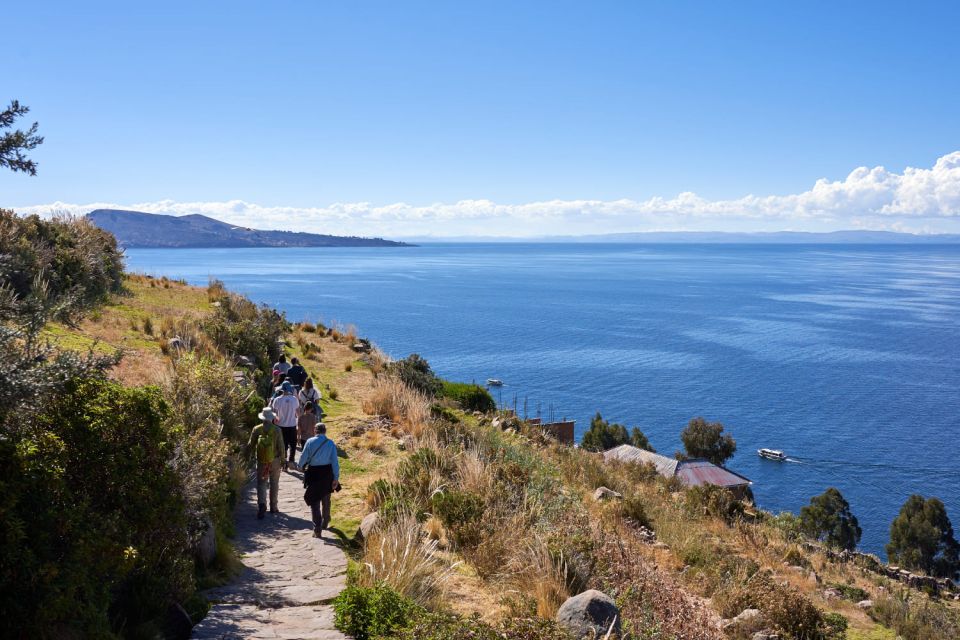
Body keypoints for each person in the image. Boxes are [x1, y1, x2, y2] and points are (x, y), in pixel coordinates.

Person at [298, 422, 340, 538]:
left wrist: (299, 466)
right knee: (326, 498)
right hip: (327, 473)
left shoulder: (310, 442)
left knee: (314, 501)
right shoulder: (330, 443)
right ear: (325, 431)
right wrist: (336, 478)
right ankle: (325, 521)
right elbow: (335, 462)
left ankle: (317, 529)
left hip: (313, 473)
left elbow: (303, 458)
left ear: (315, 430)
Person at [248, 407, 284, 519]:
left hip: (262, 461)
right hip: (275, 460)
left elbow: (250, 445)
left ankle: (262, 504)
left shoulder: (256, 429)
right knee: (274, 483)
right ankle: (273, 507)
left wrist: (246, 457)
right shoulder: (277, 430)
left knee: (262, 483)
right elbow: (281, 447)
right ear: (272, 418)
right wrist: (283, 460)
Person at [270, 381, 300, 471]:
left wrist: (274, 425)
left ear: (282, 389)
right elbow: (298, 413)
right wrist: (299, 423)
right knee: (293, 445)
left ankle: (284, 463)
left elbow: (275, 415)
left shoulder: (277, 400)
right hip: (292, 425)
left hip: (281, 426)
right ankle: (291, 460)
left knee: (283, 445)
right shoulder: (294, 399)